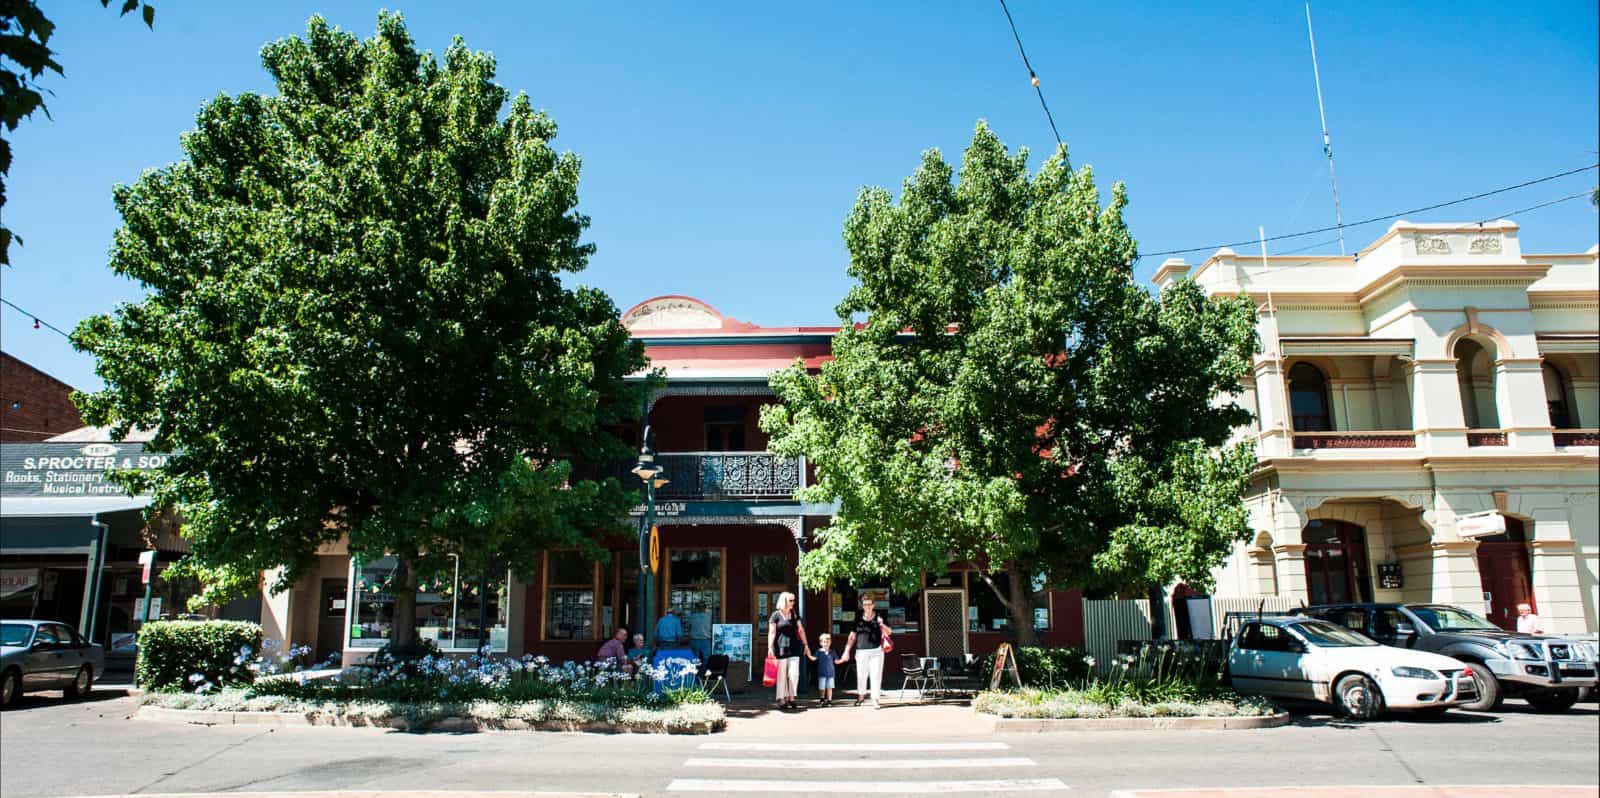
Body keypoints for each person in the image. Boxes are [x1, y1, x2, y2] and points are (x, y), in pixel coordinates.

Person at [839, 592, 890, 708]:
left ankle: (875, 699)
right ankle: (861, 697)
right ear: (862, 605)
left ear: (873, 604)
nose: (867, 606)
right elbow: (852, 636)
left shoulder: (879, 616)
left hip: (876, 651)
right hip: (861, 651)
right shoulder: (858, 618)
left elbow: (889, 632)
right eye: (865, 604)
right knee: (861, 675)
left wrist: (882, 624)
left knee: (876, 675)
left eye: (869, 604)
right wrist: (847, 650)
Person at [767, 591, 809, 711]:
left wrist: (806, 644)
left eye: (794, 600)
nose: (793, 603)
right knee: (782, 675)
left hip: (794, 648)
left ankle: (791, 697)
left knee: (794, 674)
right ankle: (781, 699)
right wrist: (770, 647)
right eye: (791, 600)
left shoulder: (795, 614)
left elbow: (801, 630)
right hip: (780, 648)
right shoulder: (775, 615)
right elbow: (772, 632)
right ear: (784, 601)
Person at [808, 632, 838, 705]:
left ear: (830, 642)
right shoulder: (819, 651)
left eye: (827, 642)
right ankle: (822, 699)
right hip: (822, 673)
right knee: (822, 688)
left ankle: (829, 700)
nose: (826, 644)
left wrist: (843, 659)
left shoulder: (832, 652)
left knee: (829, 687)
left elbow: (836, 661)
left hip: (831, 674)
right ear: (821, 643)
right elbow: (814, 659)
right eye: (824, 642)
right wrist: (808, 654)